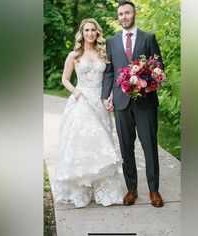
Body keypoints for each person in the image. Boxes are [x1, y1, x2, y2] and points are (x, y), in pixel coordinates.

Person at [55, 18, 123, 208]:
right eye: (87, 30)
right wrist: (75, 91)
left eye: (93, 30)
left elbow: (110, 77)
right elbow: (65, 79)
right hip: (81, 101)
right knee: (83, 144)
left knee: (101, 145)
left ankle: (103, 190)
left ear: (97, 32)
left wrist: (109, 97)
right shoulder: (74, 55)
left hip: (99, 103)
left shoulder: (103, 53)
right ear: (82, 33)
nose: (90, 33)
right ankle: (82, 190)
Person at [102, 1, 164, 207]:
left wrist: (146, 79)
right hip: (121, 103)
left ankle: (154, 190)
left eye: (127, 12)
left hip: (145, 102)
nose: (124, 16)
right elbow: (109, 72)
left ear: (134, 14)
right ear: (118, 17)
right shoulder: (111, 42)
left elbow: (158, 67)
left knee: (149, 146)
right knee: (126, 147)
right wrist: (106, 96)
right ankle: (132, 189)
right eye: (120, 14)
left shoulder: (148, 38)